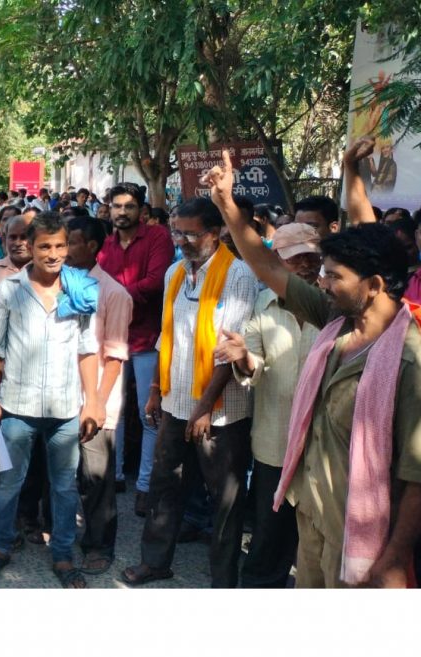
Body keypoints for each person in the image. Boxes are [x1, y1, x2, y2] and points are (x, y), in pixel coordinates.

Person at [209, 148, 421, 588]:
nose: (321, 283)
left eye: (333, 276)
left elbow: (415, 476)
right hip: (311, 513)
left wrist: (396, 557)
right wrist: (226, 203)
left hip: (363, 537)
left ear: (374, 285)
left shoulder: (409, 362)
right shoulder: (335, 319)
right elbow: (267, 264)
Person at [120, 196, 259, 588]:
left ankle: (223, 581)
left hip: (221, 412)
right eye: (176, 232)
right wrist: (154, 390)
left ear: (215, 233)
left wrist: (204, 408)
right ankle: (155, 562)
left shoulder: (238, 275)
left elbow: (228, 351)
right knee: (164, 486)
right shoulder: (175, 273)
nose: (180, 240)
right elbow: (167, 336)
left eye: (190, 234)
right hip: (175, 401)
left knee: (224, 499)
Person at [0, 212, 102, 587]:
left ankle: (62, 554)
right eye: (45, 246)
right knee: (8, 482)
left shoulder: (80, 289)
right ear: (30, 247)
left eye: (60, 246)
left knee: (64, 487)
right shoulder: (8, 290)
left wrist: (93, 401)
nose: (53, 254)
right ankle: (1, 545)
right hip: (15, 408)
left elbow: (87, 349)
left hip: (65, 411)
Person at [212, 223, 322, 588]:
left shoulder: (334, 305)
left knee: (318, 534)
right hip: (276, 439)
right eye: (295, 258)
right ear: (276, 261)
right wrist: (243, 357)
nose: (305, 265)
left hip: (323, 443)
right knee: (270, 529)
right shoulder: (263, 304)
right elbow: (254, 365)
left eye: (311, 257)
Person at [96, 184, 174, 514]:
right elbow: (96, 285)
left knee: (148, 414)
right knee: (111, 410)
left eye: (129, 206)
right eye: (117, 206)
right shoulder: (105, 244)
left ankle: (145, 485)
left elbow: (156, 282)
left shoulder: (158, 237)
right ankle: (112, 477)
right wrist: (116, 296)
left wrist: (115, 295)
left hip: (147, 338)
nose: (122, 212)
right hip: (113, 337)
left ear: (141, 210)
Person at [66, 216, 132, 576]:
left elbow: (115, 355)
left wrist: (98, 404)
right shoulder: (59, 285)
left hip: (96, 401)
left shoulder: (113, 293)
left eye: (70, 242)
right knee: (63, 473)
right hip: (61, 396)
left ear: (92, 247)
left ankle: (99, 545)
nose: (63, 249)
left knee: (96, 478)